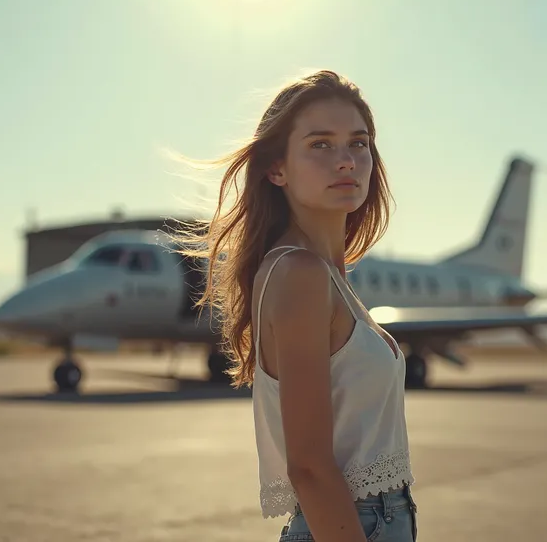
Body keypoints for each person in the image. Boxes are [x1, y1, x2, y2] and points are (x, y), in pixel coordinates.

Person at [173, 70, 417, 541]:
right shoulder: (300, 274)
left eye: (359, 143)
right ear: (276, 169)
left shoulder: (326, 274)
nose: (346, 160)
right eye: (320, 145)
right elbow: (308, 467)